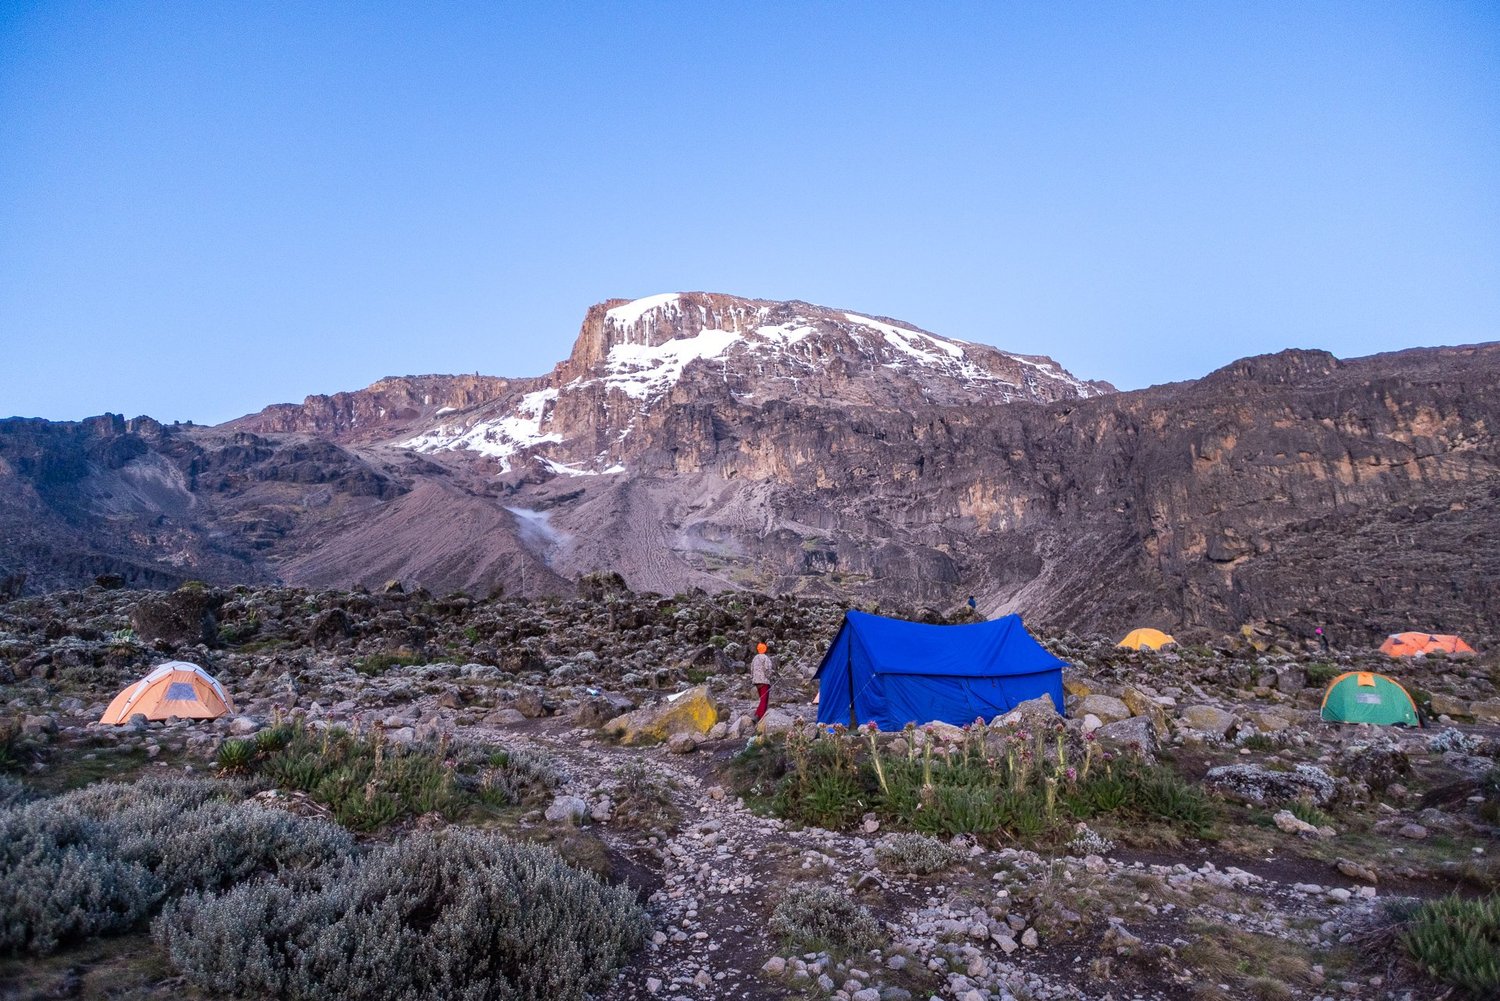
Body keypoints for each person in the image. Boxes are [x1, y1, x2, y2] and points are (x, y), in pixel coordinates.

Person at [750, 641, 773, 721]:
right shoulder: (765, 658)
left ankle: (759, 715)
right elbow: (768, 669)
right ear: (765, 649)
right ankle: (758, 715)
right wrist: (769, 677)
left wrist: (753, 678)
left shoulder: (754, 658)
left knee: (761, 698)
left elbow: (751, 670)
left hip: (756, 681)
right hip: (764, 681)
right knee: (764, 699)